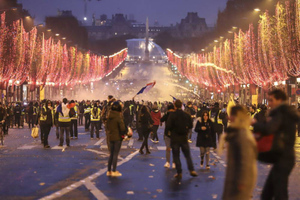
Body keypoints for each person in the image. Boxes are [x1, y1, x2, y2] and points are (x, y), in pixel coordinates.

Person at [253, 89, 299, 200]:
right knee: (268, 193)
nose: (269, 103)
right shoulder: (285, 113)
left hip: (283, 157)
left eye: (271, 100)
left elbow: (269, 129)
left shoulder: (281, 113)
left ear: (280, 100)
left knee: (279, 193)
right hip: (282, 157)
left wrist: (255, 123)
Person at [221, 105, 257, 200]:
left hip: (239, 184)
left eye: (232, 115)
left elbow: (246, 163)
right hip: (234, 181)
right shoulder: (235, 133)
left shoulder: (242, 135)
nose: (229, 117)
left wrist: (242, 184)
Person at [167, 99, 198, 179]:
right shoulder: (186, 115)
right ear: (181, 105)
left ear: (175, 106)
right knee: (187, 155)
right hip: (184, 137)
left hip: (175, 138)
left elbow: (168, 126)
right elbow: (191, 126)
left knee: (176, 156)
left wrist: (169, 133)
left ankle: (179, 172)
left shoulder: (172, 115)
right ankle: (191, 170)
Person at [106, 101, 126, 177]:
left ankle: (109, 171)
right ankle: (114, 170)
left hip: (110, 136)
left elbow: (107, 127)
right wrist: (124, 134)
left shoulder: (109, 116)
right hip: (117, 137)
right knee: (115, 154)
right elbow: (122, 128)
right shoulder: (118, 116)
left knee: (111, 154)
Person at [160, 103, 175, 169]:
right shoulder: (175, 114)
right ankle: (174, 163)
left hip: (167, 133)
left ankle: (168, 162)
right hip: (175, 133)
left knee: (168, 148)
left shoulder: (167, 114)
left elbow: (161, 119)